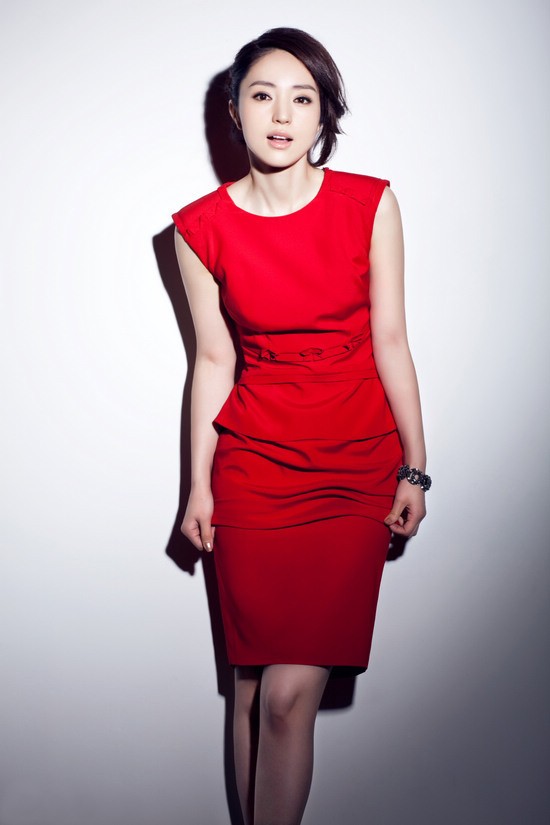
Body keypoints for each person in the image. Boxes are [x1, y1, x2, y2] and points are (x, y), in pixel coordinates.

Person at [172, 27, 430, 825]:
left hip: (354, 469)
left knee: (288, 696)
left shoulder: (370, 204)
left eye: (302, 98)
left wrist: (415, 466)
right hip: (253, 470)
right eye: (262, 95)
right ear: (234, 110)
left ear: (324, 115)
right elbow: (213, 361)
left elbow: (392, 340)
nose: (282, 115)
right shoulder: (198, 227)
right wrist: (198, 486)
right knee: (251, 688)